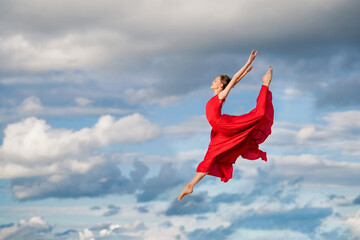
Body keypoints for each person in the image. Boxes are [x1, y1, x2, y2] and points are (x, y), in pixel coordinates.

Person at [178, 49, 274, 201]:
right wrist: (245, 74)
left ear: (220, 86)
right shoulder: (217, 95)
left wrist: (247, 63)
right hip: (219, 130)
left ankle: (265, 84)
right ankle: (190, 185)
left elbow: (233, 79)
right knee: (210, 157)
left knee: (259, 115)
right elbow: (234, 81)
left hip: (223, 124)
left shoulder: (220, 96)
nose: (213, 82)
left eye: (216, 81)